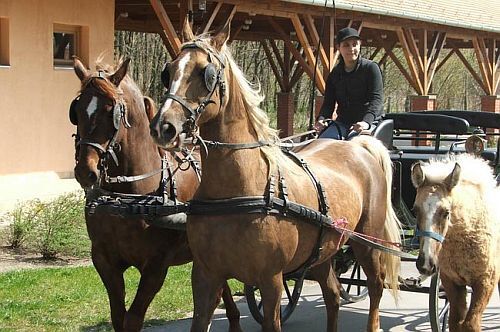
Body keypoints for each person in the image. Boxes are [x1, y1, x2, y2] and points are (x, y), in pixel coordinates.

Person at [314, 27, 384, 139]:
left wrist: (366, 122)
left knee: (354, 146)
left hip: (369, 123)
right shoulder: (334, 75)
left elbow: (376, 99)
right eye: (346, 45)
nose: (351, 48)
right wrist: (322, 118)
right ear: (338, 48)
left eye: (354, 44)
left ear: (360, 45)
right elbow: (328, 103)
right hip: (342, 123)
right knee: (323, 141)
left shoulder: (371, 68)